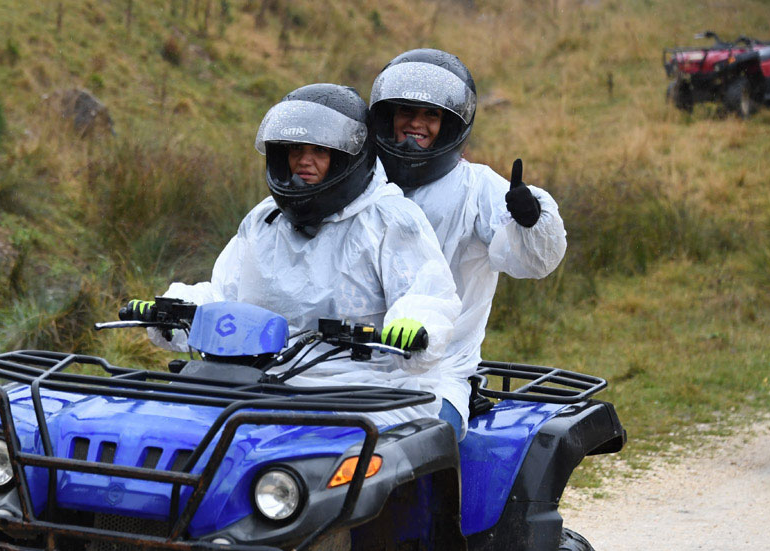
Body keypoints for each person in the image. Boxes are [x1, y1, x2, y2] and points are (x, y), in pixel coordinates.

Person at [129, 84, 466, 432]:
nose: (305, 160)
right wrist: (173, 309)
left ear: (348, 157)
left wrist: (414, 325)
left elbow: (428, 294)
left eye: (320, 150)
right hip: (261, 380)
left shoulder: (391, 219)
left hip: (365, 389)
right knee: (169, 424)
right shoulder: (264, 219)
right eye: (296, 149)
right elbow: (224, 294)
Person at [369, 49, 568, 436]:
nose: (416, 124)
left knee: (413, 450)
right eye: (406, 112)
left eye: (431, 115)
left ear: (450, 124)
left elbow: (533, 262)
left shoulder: (477, 187)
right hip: (348, 367)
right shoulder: (364, 183)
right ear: (387, 117)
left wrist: (530, 219)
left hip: (436, 373)